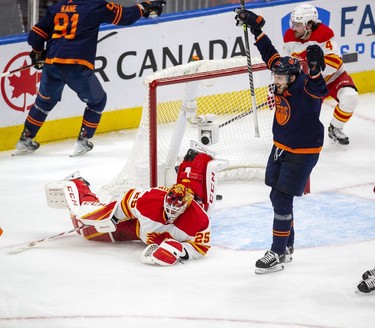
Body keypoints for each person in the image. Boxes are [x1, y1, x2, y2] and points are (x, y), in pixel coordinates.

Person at [234, 9, 329, 273]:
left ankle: (276, 252)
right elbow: (270, 54)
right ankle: (287, 247)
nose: (275, 81)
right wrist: (256, 27)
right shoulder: (284, 77)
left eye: (280, 78)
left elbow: (320, 89)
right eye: (275, 77)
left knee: (281, 197)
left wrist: (315, 70)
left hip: (302, 152)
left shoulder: (305, 88)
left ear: (293, 78)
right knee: (278, 198)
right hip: (280, 148)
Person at [14, 0, 166, 157]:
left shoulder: (57, 7)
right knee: (97, 101)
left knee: (44, 102)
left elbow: (35, 36)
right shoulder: (94, 5)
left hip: (52, 64)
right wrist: (144, 6)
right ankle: (83, 141)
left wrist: (38, 52)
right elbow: (124, 16)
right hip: (75, 65)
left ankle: (25, 138)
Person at [284, 3, 358, 146]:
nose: (293, 28)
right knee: (304, 125)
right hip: (311, 82)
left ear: (309, 25)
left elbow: (334, 63)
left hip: (334, 77)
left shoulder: (324, 34)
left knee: (350, 97)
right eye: (293, 23)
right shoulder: (290, 36)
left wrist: (314, 72)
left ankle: (335, 127)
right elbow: (286, 63)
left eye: (298, 24)